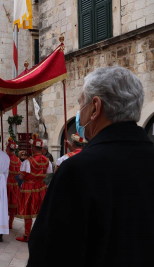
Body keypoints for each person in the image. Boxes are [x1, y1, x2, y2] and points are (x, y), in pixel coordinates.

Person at [28, 67, 154, 266]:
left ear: (95, 107)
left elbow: (47, 253)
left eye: (80, 103)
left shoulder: (76, 170)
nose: (79, 113)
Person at [16, 134, 52, 242]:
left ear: (33, 148)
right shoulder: (47, 161)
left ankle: (27, 235)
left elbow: (22, 176)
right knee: (41, 212)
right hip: (41, 187)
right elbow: (48, 173)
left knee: (28, 212)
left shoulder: (28, 161)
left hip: (29, 187)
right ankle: (41, 234)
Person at [5, 137, 22, 229]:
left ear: (7, 149)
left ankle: (3, 222)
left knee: (4, 203)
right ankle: (10, 223)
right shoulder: (18, 160)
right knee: (12, 204)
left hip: (6, 183)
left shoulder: (5, 159)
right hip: (15, 184)